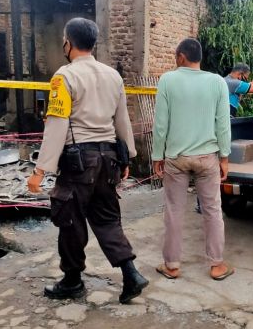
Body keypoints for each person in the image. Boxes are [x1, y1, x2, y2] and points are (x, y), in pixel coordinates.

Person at [26, 18, 148, 303]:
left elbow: (56, 123)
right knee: (107, 219)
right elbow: (122, 120)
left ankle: (72, 281)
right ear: (94, 43)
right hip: (108, 160)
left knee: (69, 221)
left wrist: (40, 170)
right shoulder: (113, 76)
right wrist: (127, 155)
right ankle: (131, 274)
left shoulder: (63, 77)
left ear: (68, 43)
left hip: (79, 161)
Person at [152, 38, 234, 281]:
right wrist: (225, 157)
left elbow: (160, 124)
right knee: (212, 210)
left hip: (176, 158)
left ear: (181, 57)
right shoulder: (217, 82)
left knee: (174, 211)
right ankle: (217, 265)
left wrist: (158, 155)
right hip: (208, 157)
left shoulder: (168, 80)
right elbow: (223, 124)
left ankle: (172, 265)